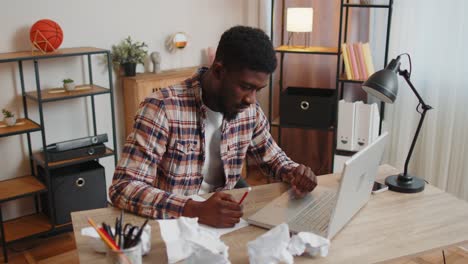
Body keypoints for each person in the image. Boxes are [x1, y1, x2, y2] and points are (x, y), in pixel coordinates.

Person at [109, 26, 318, 228]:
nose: (251, 99)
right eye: (246, 87)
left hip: (223, 224)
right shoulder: (162, 108)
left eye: (258, 89)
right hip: (173, 225)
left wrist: (294, 172)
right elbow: (123, 187)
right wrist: (194, 209)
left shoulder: (249, 110)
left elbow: (272, 158)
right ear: (218, 70)